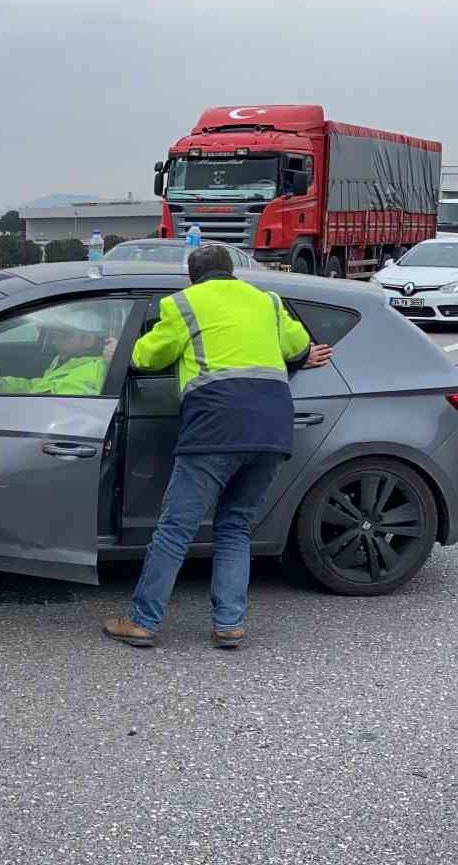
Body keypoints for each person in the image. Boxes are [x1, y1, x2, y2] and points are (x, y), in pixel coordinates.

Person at [103, 245, 332, 649]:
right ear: (232, 273)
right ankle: (228, 623)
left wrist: (115, 352)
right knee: (235, 526)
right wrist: (302, 356)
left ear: (192, 277)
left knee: (175, 529)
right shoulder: (268, 301)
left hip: (215, 427)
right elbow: (296, 348)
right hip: (273, 429)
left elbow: (149, 356)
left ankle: (142, 620)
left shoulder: (182, 304)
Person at [0, 307, 118, 395]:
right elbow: (39, 386)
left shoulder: (94, 372)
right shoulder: (64, 360)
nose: (54, 341)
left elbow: (51, 402)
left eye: (64, 335)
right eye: (55, 334)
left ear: (88, 340)